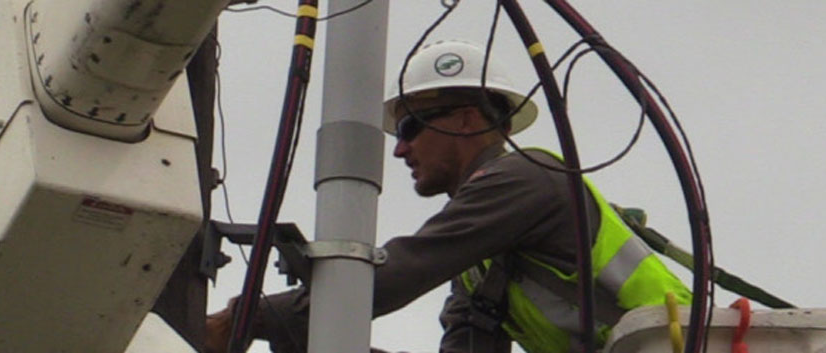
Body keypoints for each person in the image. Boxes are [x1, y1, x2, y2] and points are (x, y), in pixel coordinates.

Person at [204, 40, 691, 353]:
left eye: (411, 126)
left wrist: (244, 318)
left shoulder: (524, 178)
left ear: (466, 118)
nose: (399, 148)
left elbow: (391, 277)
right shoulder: (480, 259)